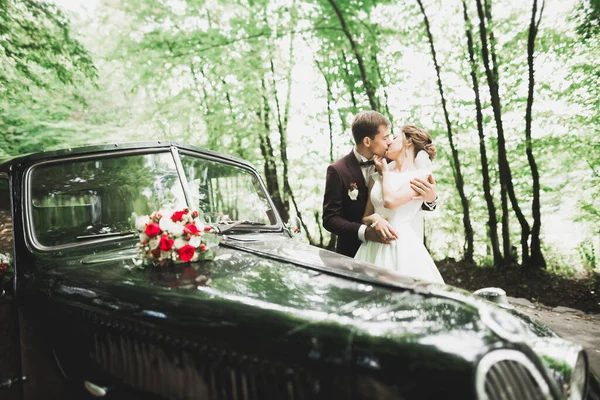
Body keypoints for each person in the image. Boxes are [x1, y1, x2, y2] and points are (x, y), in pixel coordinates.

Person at [322, 111, 437, 258]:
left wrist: (431, 200)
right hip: (352, 252)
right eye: (385, 137)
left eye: (391, 137)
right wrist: (366, 232)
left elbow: (409, 200)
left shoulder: (392, 162)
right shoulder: (338, 170)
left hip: (397, 248)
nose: (389, 141)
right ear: (367, 141)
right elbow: (330, 219)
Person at [354, 125, 444, 284]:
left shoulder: (420, 176)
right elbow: (365, 217)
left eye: (394, 138)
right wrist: (375, 218)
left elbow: (390, 202)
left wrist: (385, 174)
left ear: (408, 141)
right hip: (371, 246)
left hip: (400, 246)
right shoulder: (376, 176)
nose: (389, 142)